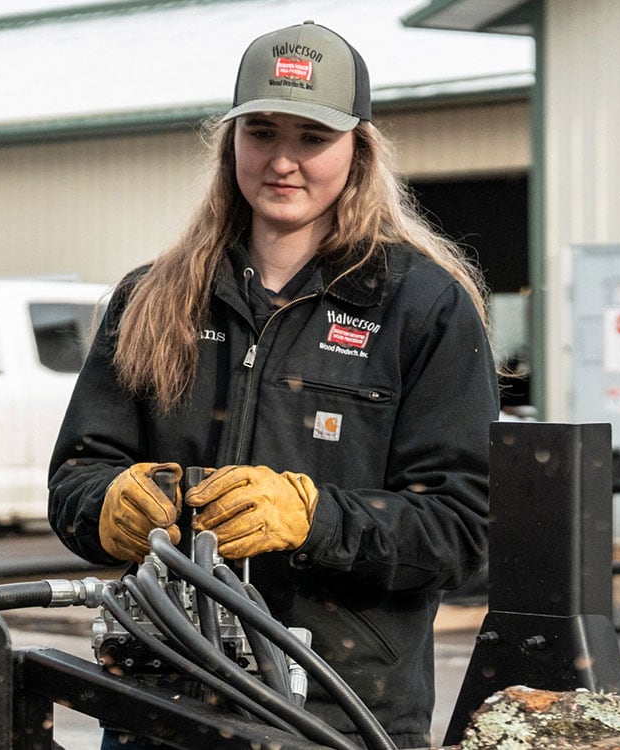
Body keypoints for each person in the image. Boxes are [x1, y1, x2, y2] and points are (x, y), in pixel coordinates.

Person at [48, 20, 498, 748]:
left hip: (339, 714)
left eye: (312, 138)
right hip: (161, 703)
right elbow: (74, 479)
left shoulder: (421, 307)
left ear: (359, 150)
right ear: (230, 143)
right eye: (261, 132)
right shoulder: (154, 298)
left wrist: (311, 516)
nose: (283, 160)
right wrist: (111, 506)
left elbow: (463, 529)